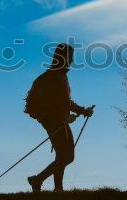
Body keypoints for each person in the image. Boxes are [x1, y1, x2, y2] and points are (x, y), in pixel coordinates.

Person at [26, 43, 93, 192]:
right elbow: (53, 103)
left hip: (59, 120)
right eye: (70, 57)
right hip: (53, 121)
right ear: (62, 57)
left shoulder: (60, 76)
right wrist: (63, 116)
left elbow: (66, 102)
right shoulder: (53, 77)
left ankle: (57, 188)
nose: (72, 60)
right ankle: (37, 180)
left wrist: (82, 111)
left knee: (63, 156)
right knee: (66, 157)